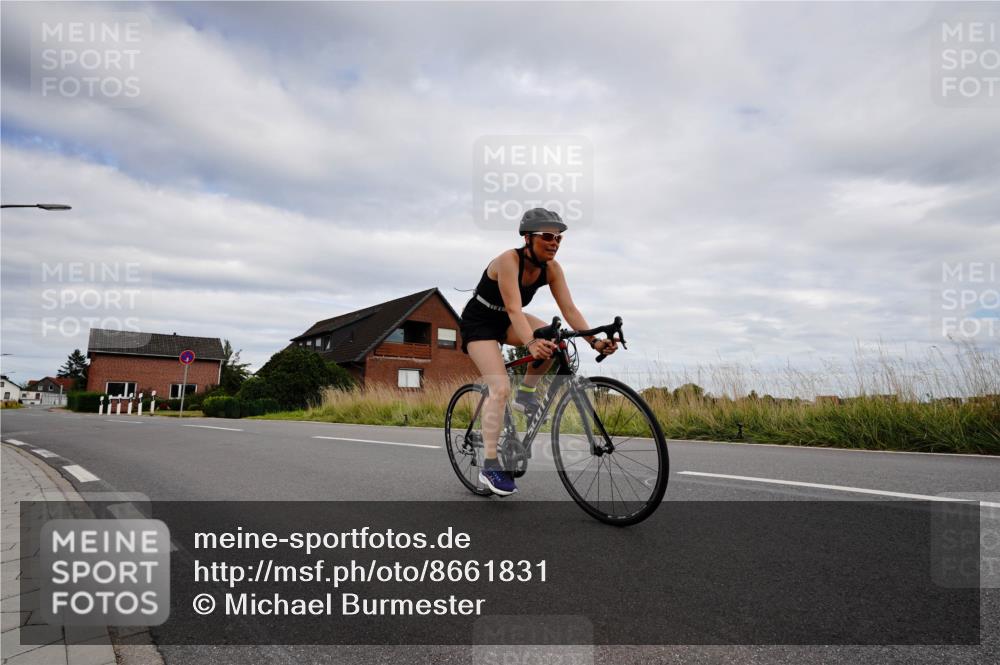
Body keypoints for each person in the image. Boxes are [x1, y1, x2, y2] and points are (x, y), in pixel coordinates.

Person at [459, 208, 618, 496]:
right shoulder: (509, 260)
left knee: (554, 339)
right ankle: (491, 466)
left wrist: (593, 342)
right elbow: (513, 309)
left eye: (559, 238)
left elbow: (569, 310)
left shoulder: (552, 269)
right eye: (547, 236)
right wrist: (531, 343)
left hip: (508, 321)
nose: (554, 242)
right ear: (528, 237)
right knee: (499, 387)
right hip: (480, 324)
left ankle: (527, 395)